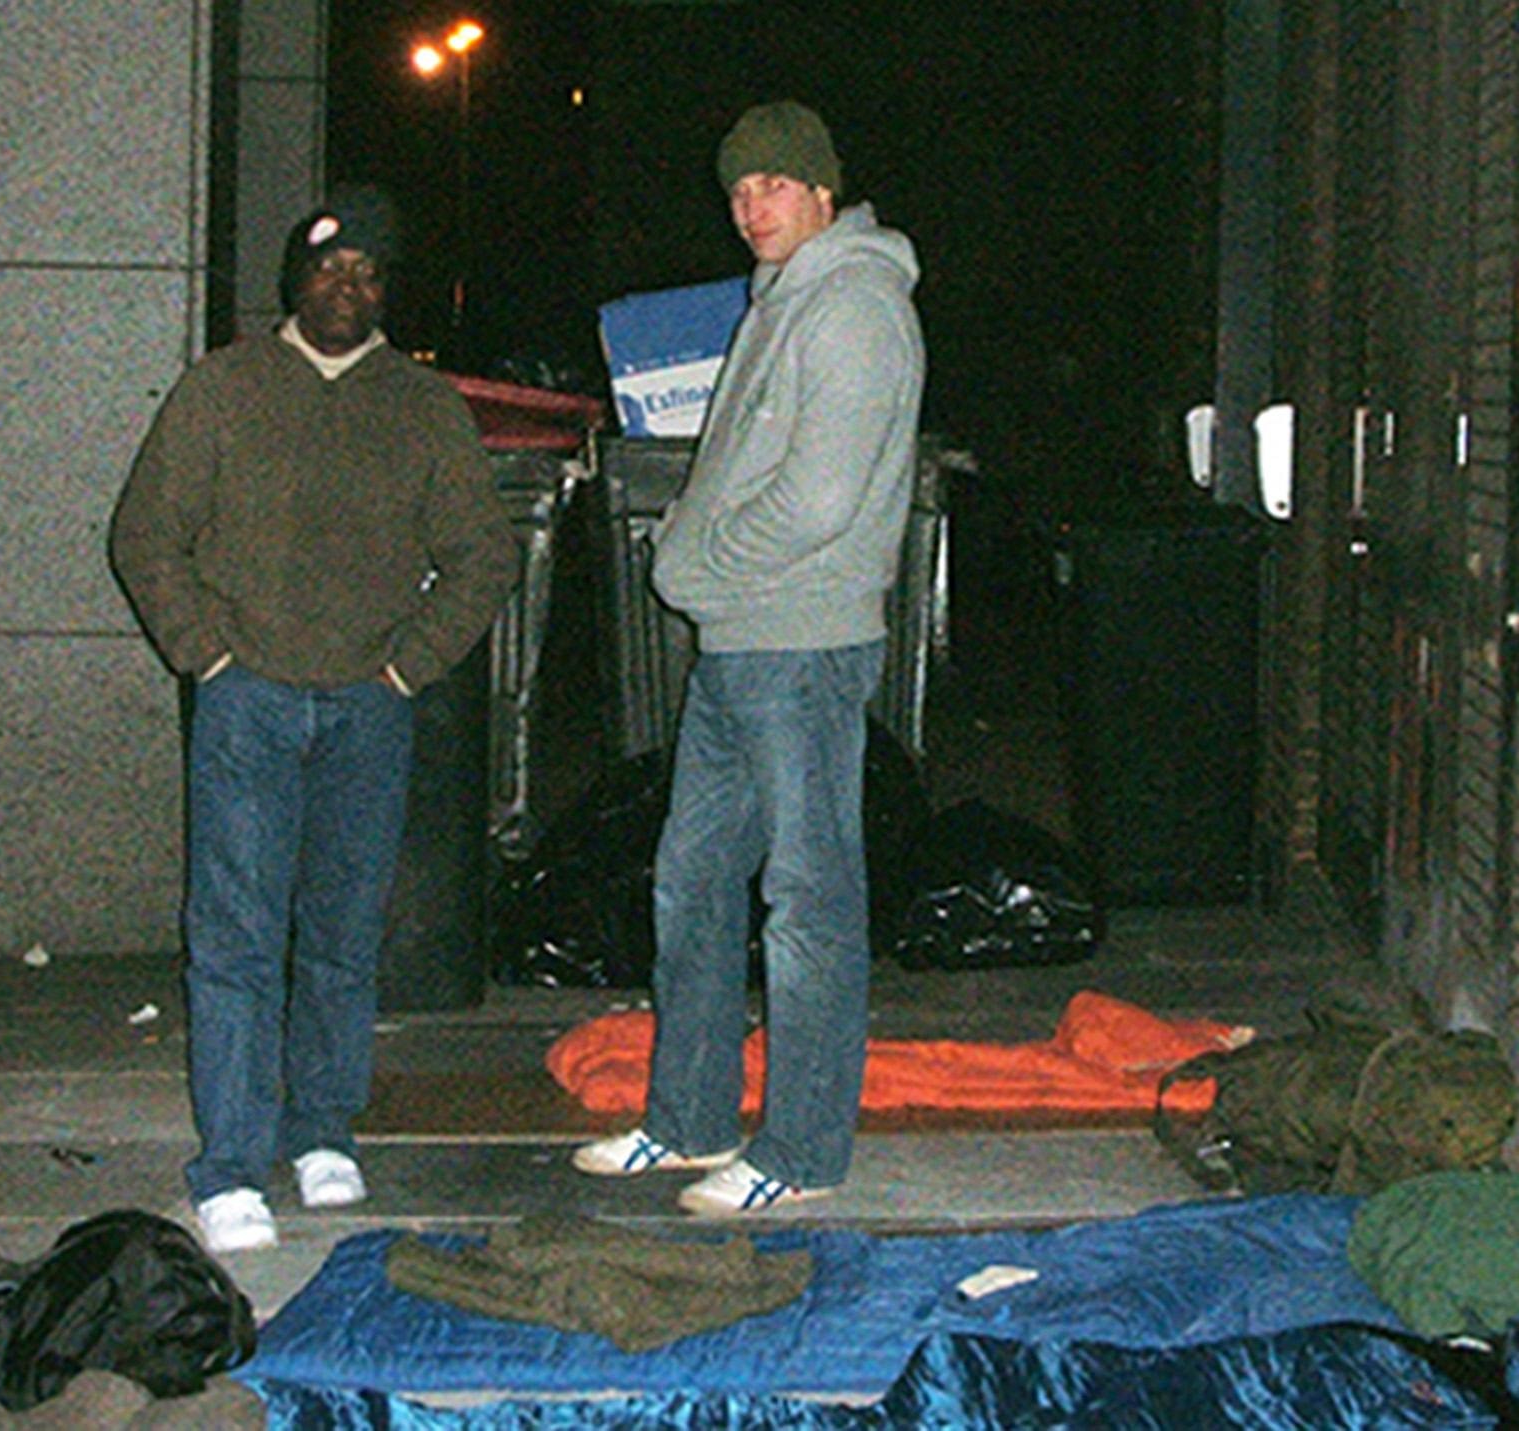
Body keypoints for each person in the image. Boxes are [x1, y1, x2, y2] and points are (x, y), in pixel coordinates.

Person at [110, 188, 518, 1253]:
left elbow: (483, 555)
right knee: (236, 937)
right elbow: (147, 535)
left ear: (386, 291)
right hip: (246, 703)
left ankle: (323, 1129)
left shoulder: (423, 406)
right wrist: (208, 655)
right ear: (297, 280)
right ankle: (232, 1163)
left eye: (369, 272)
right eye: (331, 268)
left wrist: (409, 667)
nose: (349, 286)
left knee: (343, 934)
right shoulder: (225, 389)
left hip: (366, 712)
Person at [574, 101, 926, 1213]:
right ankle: (685, 1120)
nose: (752, 206)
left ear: (824, 192)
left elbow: (819, 500)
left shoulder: (855, 306)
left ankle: (802, 1153)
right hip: (740, 649)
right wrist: (703, 564)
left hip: (801, 647)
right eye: (737, 190)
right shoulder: (781, 303)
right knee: (690, 882)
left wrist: (699, 565)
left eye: (774, 185)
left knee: (810, 902)